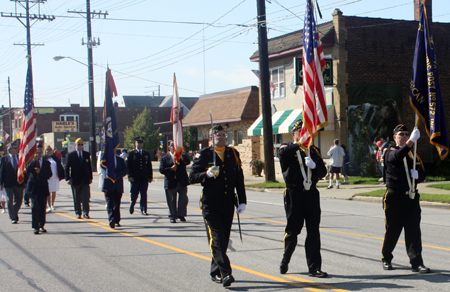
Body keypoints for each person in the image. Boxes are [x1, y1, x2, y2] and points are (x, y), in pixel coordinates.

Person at [189, 124, 246, 288]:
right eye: (218, 136)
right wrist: (206, 174)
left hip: (227, 203)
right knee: (217, 238)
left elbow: (238, 179)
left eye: (223, 135)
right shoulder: (204, 155)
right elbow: (191, 177)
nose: (221, 138)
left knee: (223, 239)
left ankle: (215, 271)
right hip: (210, 204)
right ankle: (226, 273)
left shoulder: (232, 153)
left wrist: (242, 200)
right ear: (211, 138)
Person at [277, 119, 328, 278]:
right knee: (293, 231)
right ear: (294, 134)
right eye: (301, 131)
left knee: (313, 232)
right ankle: (286, 259)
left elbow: (323, 172)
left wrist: (314, 166)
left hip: (311, 194)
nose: (304, 134)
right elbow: (281, 154)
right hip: (294, 194)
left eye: (307, 131)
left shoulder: (314, 151)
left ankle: (314, 268)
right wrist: (299, 144)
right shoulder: (287, 148)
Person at [381, 124, 430, 273]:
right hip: (394, 197)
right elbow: (397, 157)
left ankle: (416, 262)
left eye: (407, 134)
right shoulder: (389, 152)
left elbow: (422, 174)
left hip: (411, 196)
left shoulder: (414, 154)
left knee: (414, 230)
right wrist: (411, 142)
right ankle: (386, 258)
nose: (404, 136)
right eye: (401, 134)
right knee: (393, 230)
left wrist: (418, 176)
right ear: (395, 136)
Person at [159, 141, 190, 223]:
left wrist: (183, 159)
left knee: (183, 198)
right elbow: (161, 170)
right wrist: (170, 169)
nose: (175, 148)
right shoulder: (164, 158)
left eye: (176, 146)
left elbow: (188, 161)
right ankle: (172, 216)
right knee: (172, 200)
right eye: (173, 146)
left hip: (181, 181)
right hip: (171, 182)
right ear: (170, 148)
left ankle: (181, 214)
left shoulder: (182, 156)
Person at [25, 143, 52, 234]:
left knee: (42, 208)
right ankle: (35, 227)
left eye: (40, 149)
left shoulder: (47, 162)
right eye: (37, 149)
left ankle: (41, 225)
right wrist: (33, 161)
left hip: (43, 188)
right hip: (33, 188)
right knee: (34, 207)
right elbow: (27, 170)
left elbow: (49, 174)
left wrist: (40, 172)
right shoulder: (31, 161)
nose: (39, 151)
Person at [65, 138, 93, 219]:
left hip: (85, 179)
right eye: (78, 145)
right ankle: (78, 212)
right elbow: (67, 167)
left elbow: (89, 167)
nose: (80, 146)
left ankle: (86, 212)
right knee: (77, 197)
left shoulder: (86, 154)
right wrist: (68, 178)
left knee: (85, 196)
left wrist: (90, 177)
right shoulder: (71, 155)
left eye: (81, 145)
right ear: (75, 145)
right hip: (75, 179)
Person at [99, 154, 128, 228]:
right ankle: (111, 219)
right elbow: (102, 167)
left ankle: (117, 220)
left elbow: (125, 170)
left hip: (118, 185)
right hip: (108, 185)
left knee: (117, 204)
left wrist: (116, 175)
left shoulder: (120, 160)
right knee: (109, 203)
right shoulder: (105, 159)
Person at [127, 137, 153, 216]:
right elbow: (128, 166)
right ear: (135, 143)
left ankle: (144, 209)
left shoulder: (146, 154)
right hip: (135, 178)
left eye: (141, 143)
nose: (140, 145)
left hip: (144, 178)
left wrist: (150, 176)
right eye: (138, 143)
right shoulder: (131, 154)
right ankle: (132, 204)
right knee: (134, 194)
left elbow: (149, 166)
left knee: (144, 194)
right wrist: (130, 176)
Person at [0, 143, 25, 223]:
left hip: (19, 182)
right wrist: (1, 183)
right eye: (14, 148)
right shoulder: (4, 158)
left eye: (16, 147)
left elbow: (24, 170)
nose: (16, 149)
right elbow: (2, 171)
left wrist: (25, 181)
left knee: (19, 200)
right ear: (10, 149)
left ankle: (14, 212)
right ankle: (13, 217)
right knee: (9, 200)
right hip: (8, 183)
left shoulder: (20, 157)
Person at [45, 146, 65, 211]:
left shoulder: (54, 158)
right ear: (45, 151)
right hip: (47, 178)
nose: (49, 151)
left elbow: (59, 166)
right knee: (47, 192)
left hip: (55, 176)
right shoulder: (44, 158)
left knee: (54, 191)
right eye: (47, 150)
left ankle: (52, 204)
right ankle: (48, 205)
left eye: (50, 150)